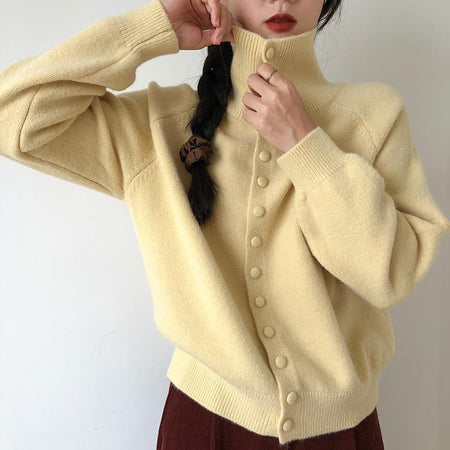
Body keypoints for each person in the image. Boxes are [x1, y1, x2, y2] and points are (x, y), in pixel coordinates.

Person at [0, 0, 449, 449]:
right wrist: (152, 27)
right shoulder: (158, 126)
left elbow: (390, 275)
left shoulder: (374, 116)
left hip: (339, 433)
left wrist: (306, 144)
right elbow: (12, 118)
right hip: (202, 425)